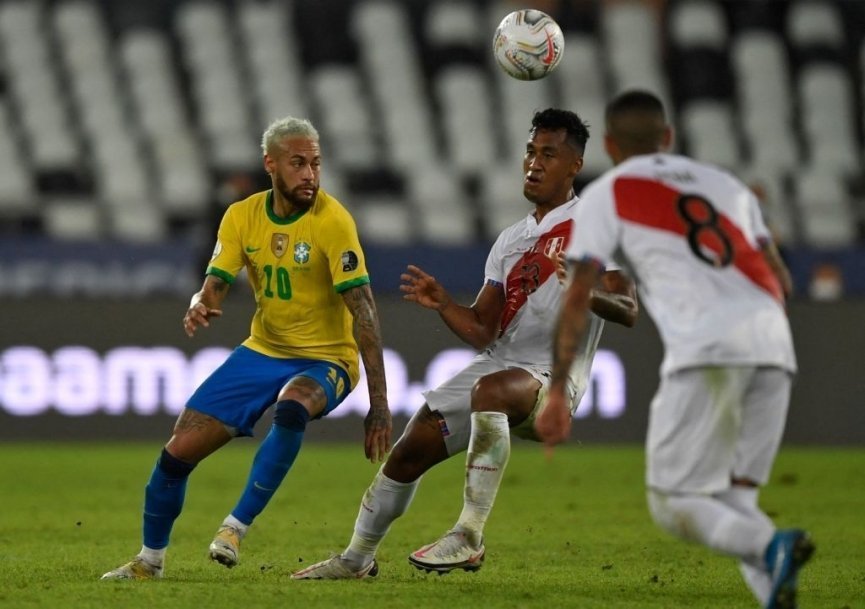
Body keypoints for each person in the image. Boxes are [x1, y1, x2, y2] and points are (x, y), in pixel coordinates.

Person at [291, 108, 638, 580]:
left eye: (549, 155)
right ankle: (356, 559)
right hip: (500, 365)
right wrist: (444, 305)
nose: (534, 164)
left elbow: (628, 309)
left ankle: (468, 535)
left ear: (574, 165)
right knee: (409, 449)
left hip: (553, 376)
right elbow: (482, 330)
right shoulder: (510, 240)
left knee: (490, 391)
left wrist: (586, 290)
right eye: (530, 152)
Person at [537, 90, 813, 609]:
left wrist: (556, 391)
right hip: (774, 345)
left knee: (671, 502)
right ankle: (777, 588)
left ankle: (772, 544)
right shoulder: (728, 187)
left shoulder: (609, 194)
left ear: (612, 145)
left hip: (707, 348)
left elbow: (576, 296)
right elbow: (781, 279)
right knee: (734, 499)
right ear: (668, 138)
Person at [101, 116, 392, 580]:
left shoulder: (333, 222)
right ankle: (149, 561)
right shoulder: (241, 216)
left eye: (316, 164)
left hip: (327, 359)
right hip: (262, 351)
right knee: (176, 456)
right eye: (298, 164)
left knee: (293, 406)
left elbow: (365, 311)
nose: (310, 175)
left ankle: (234, 528)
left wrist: (379, 404)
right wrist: (200, 304)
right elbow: (214, 284)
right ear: (270, 165)